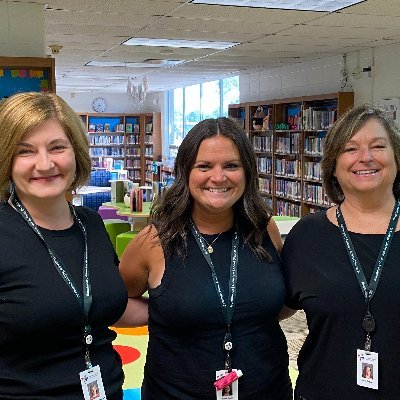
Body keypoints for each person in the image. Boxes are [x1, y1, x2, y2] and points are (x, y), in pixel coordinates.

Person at [119, 117, 292, 399]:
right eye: (204, 166)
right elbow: (116, 299)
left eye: (231, 166)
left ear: (247, 172)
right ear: (185, 171)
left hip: (269, 389)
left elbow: (284, 299)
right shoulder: (154, 240)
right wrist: (166, 310)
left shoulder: (265, 229)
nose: (218, 177)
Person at [0, 92, 146, 400]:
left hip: (108, 390)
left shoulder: (90, 224)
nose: (45, 163)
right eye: (25, 151)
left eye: (57, 147)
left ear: (75, 152)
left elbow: (99, 303)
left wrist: (186, 306)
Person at [281, 104, 400, 399]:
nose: (366, 157)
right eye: (350, 149)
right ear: (333, 165)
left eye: (378, 146)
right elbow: (269, 309)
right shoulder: (307, 236)